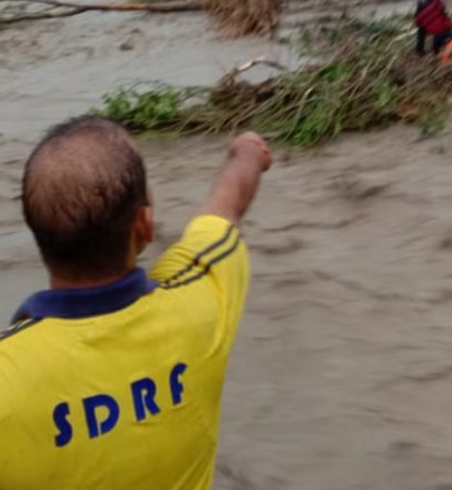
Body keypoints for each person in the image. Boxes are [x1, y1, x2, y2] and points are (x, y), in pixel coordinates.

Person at [0, 116, 271, 490]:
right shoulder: (198, 299)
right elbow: (226, 208)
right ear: (143, 225)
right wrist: (247, 151)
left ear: (38, 232)